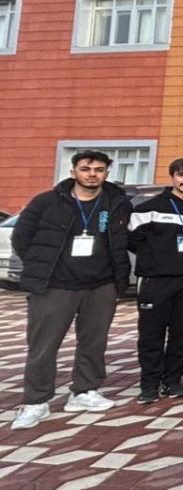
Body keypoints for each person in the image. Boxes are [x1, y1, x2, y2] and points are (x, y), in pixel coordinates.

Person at [11, 150, 132, 429]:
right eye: (85, 169)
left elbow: (123, 238)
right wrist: (40, 267)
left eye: (99, 170)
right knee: (43, 346)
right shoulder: (47, 202)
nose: (92, 174)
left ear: (106, 173)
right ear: (73, 172)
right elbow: (22, 237)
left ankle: (84, 391)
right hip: (55, 286)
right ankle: (36, 401)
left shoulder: (116, 202)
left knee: (94, 342)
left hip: (101, 285)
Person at [127, 158, 183, 403]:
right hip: (156, 280)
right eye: (182, 175)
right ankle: (149, 385)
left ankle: (173, 381)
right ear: (172, 176)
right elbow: (132, 240)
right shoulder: (148, 208)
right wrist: (158, 258)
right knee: (151, 334)